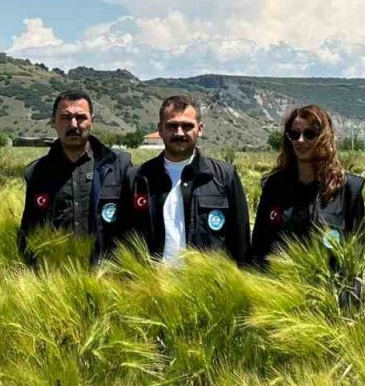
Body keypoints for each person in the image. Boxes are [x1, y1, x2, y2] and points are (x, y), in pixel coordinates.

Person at [17, 90, 136, 265]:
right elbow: (29, 232)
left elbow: (136, 229)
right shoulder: (37, 173)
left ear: (91, 120)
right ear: (53, 122)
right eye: (65, 117)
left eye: (81, 117)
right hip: (56, 277)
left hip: (108, 277)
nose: (73, 125)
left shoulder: (119, 165)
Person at [131, 95, 249, 265]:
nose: (179, 133)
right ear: (160, 129)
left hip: (207, 287)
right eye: (172, 126)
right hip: (151, 286)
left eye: (187, 126)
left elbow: (240, 241)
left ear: (200, 129)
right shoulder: (138, 177)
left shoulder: (225, 176)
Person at [248, 105, 365, 267]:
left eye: (310, 134)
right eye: (294, 134)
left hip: (327, 290)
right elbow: (258, 249)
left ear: (324, 138)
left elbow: (355, 260)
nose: (301, 140)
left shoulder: (348, 190)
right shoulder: (273, 187)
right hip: (278, 289)